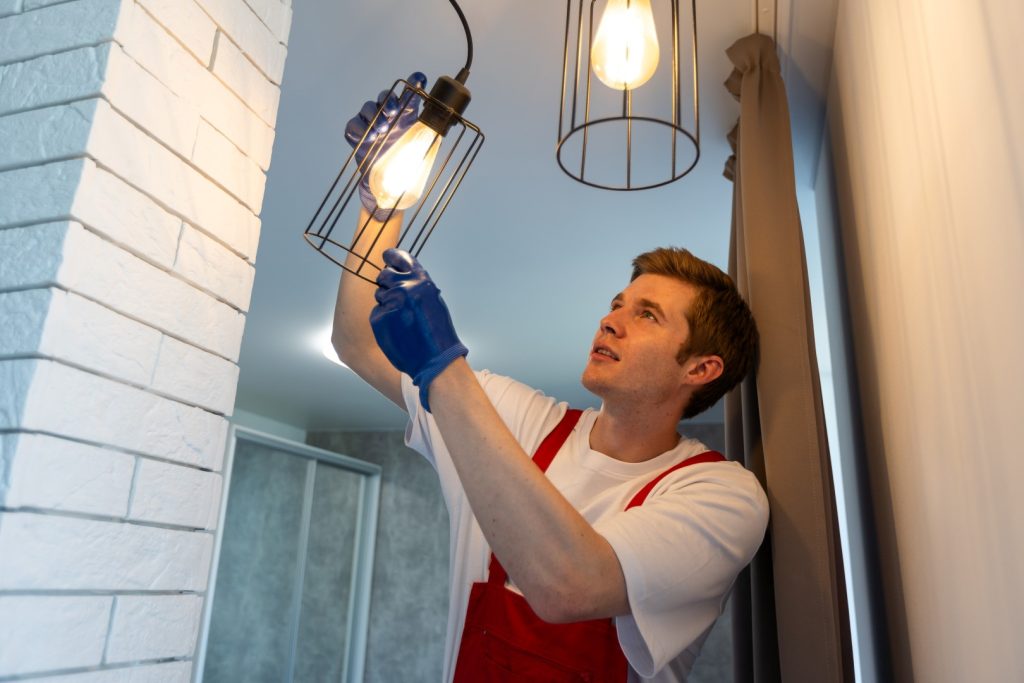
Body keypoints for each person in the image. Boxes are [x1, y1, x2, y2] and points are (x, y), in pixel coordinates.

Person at [332, 75, 769, 683]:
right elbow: (357, 341)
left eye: (646, 315)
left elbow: (570, 587)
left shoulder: (721, 497)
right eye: (617, 303)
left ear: (701, 368)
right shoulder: (515, 419)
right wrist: (381, 210)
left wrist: (443, 366)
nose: (611, 320)